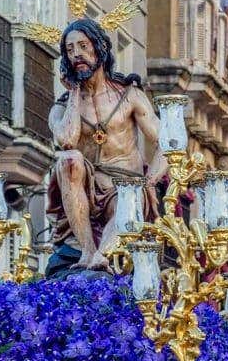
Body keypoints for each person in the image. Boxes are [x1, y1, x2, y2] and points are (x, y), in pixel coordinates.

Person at [45, 18, 167, 277]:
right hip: (86, 188)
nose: (77, 53)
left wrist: (149, 181)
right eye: (70, 50)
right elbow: (67, 140)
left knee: (127, 196)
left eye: (83, 46)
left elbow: (169, 143)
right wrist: (75, 92)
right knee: (68, 158)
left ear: (99, 48)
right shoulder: (63, 107)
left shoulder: (129, 96)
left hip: (126, 186)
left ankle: (104, 255)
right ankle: (88, 250)